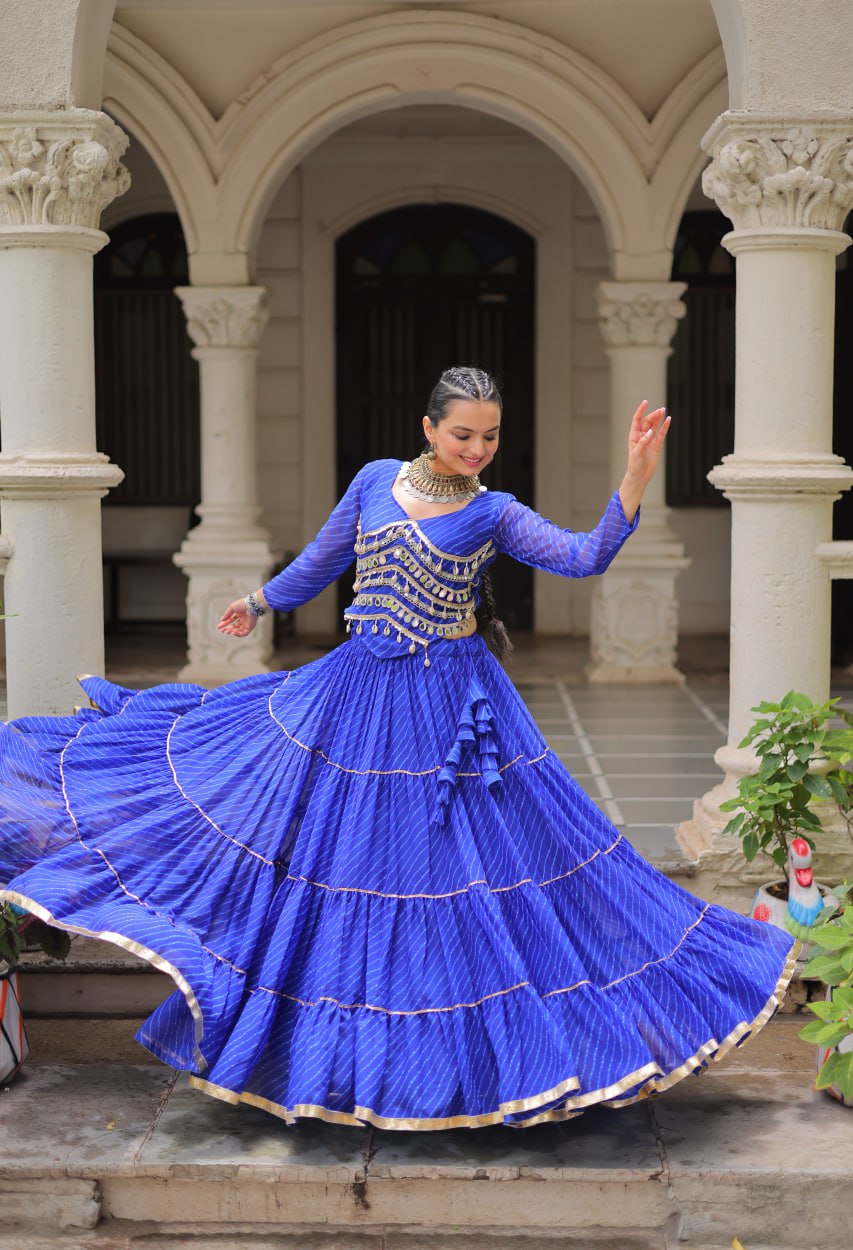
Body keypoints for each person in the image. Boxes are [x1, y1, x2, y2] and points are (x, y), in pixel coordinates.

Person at [0, 367, 796, 1131]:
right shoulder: (375, 479)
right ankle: (336, 1054)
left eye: (488, 437)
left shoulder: (494, 512)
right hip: (354, 694)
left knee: (455, 870)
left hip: (451, 709)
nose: (475, 450)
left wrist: (634, 477)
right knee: (338, 859)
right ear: (428, 428)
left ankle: (463, 1058)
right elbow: (324, 559)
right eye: (461, 434)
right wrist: (257, 601)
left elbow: (583, 557)